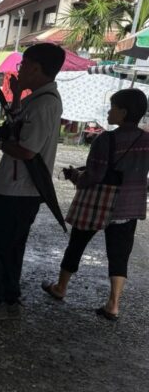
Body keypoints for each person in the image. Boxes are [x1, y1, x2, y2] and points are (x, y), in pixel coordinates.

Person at [0, 42, 66, 321]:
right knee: (10, 247)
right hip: (20, 189)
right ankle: (9, 296)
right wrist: (18, 94)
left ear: (34, 67)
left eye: (23, 66)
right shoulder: (40, 98)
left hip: (22, 190)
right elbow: (20, 122)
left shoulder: (45, 103)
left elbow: (27, 149)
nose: (19, 71)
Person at [41, 89, 149, 320]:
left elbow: (94, 175)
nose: (109, 111)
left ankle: (60, 288)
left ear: (123, 111)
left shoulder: (106, 139)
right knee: (119, 254)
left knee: (77, 244)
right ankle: (113, 304)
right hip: (129, 207)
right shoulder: (147, 140)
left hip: (97, 203)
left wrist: (74, 176)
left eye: (112, 107)